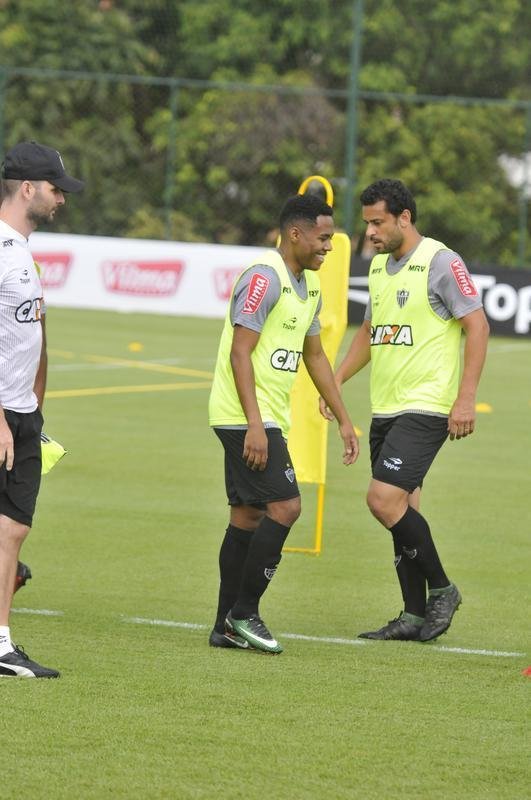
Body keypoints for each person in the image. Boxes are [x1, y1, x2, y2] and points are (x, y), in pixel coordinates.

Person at [321, 178, 489, 642]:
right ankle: (413, 615)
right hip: (386, 407)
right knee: (404, 508)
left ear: (404, 218)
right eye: (367, 223)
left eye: (378, 223)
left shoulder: (440, 261)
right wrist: (335, 380)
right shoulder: (378, 267)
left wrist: (466, 397)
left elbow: (477, 326)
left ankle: (444, 589)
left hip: (427, 405)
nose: (370, 232)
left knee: (382, 500)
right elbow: (370, 332)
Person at [208, 193, 360, 653]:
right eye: (323, 238)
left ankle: (224, 627)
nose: (329, 247)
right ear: (295, 234)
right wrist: (255, 424)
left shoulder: (309, 285)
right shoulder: (264, 277)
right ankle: (244, 613)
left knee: (247, 515)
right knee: (287, 506)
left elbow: (316, 357)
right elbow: (240, 353)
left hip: (265, 417)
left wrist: (344, 418)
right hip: (245, 416)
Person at [0, 140, 83, 677]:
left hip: (22, 415)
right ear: (27, 188)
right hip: (2, 416)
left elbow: (35, 341)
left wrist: (33, 413)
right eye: (56, 189)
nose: (62, 199)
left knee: (12, 530)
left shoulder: (22, 253)